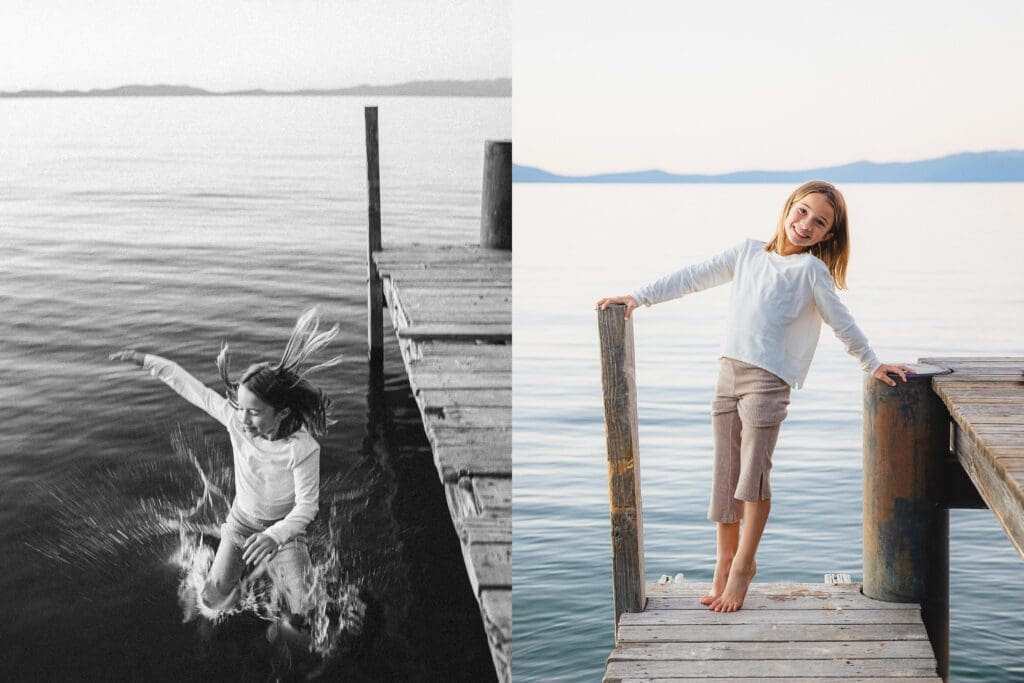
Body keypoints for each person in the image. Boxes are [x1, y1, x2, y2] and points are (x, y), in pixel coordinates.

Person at [596, 180, 913, 613]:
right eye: (802, 212)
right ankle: (724, 560)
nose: (805, 225)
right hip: (728, 374)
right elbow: (693, 276)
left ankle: (744, 565)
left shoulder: (811, 272)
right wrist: (639, 297)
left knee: (752, 477)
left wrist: (872, 362)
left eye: (819, 222)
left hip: (768, 382)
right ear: (788, 208)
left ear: (828, 236)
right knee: (725, 477)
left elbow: (843, 322)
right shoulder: (747, 252)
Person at [110, 308, 343, 620]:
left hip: (282, 530)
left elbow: (306, 507)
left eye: (254, 411)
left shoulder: (302, 448)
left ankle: (284, 619)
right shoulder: (237, 422)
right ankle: (224, 600)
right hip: (241, 523)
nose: (243, 419)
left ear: (282, 413)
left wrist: (275, 536)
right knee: (213, 599)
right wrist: (147, 360)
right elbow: (194, 390)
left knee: (307, 613)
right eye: (241, 408)